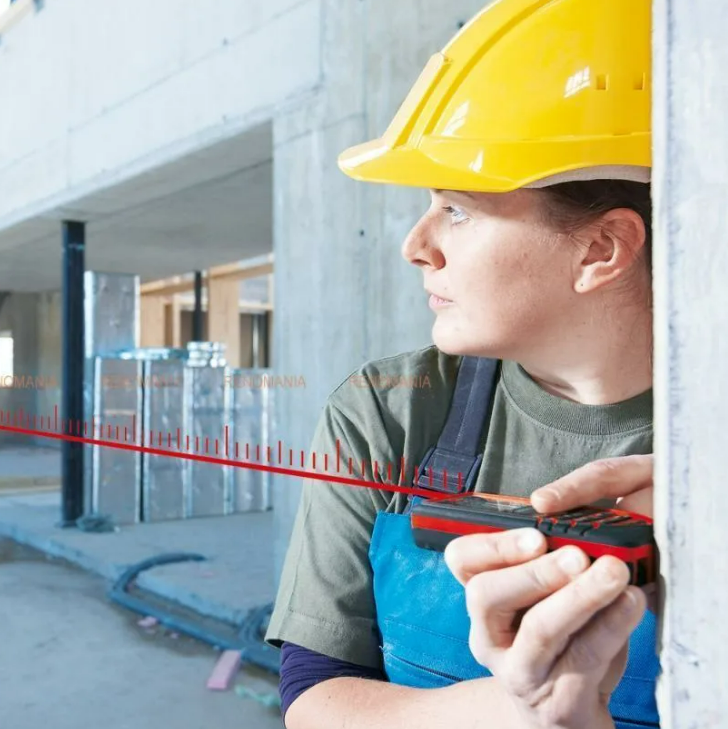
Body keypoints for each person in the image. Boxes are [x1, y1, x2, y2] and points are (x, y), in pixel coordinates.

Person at [264, 1, 660, 728]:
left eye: (458, 209)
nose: (416, 244)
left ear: (601, 249)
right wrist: (519, 709)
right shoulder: (387, 410)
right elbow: (315, 697)